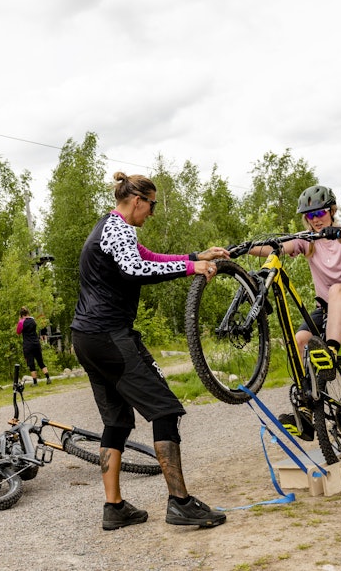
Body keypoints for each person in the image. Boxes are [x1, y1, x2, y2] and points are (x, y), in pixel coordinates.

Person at [70, 171, 230, 531]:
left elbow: (147, 255)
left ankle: (114, 508)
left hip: (86, 337)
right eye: (152, 205)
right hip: (110, 336)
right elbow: (137, 269)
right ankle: (181, 504)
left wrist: (193, 256)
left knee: (116, 421)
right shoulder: (119, 228)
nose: (152, 214)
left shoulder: (110, 227)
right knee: (165, 409)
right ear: (138, 200)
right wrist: (192, 268)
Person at [245, 184, 341, 440]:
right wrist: (245, 248)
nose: (316, 220)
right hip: (331, 311)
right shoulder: (307, 242)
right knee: (299, 341)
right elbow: (278, 248)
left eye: (321, 213)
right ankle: (307, 408)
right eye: (310, 216)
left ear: (332, 211)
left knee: (338, 290)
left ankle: (330, 351)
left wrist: (337, 233)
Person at [16, 307, 51, 385]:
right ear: (28, 313)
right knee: (41, 362)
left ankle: (35, 382)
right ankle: (48, 378)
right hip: (36, 344)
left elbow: (18, 332)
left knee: (31, 364)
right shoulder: (33, 320)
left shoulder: (21, 322)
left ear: (21, 315)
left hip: (28, 345)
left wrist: (19, 321)